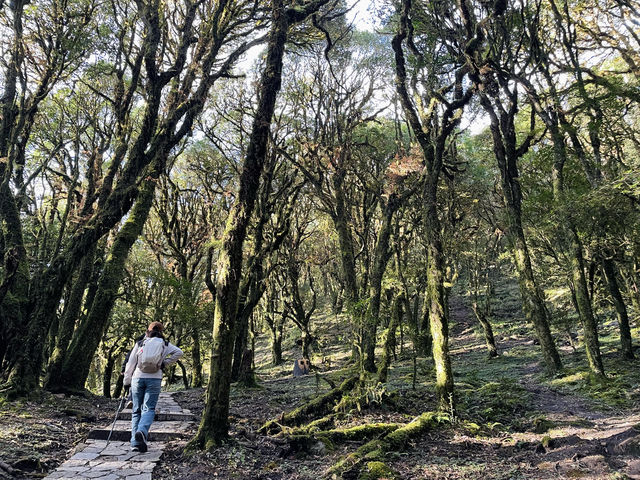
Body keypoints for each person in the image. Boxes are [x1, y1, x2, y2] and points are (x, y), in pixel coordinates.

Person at [123, 321, 183, 452]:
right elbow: (179, 352)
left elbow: (130, 364)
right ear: (161, 332)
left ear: (147, 332)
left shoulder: (140, 343)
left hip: (138, 378)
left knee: (136, 411)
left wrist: (126, 382)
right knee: (149, 408)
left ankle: (135, 442)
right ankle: (142, 431)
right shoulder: (165, 344)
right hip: (154, 378)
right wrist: (164, 363)